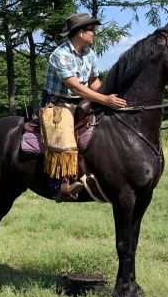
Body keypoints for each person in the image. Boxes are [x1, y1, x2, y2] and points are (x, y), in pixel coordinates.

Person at [41, 13, 127, 201]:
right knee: (63, 137)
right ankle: (60, 185)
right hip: (58, 103)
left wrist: (110, 98)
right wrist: (105, 99)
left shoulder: (89, 53)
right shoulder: (60, 55)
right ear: (80, 33)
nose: (93, 34)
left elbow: (93, 81)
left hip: (81, 100)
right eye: (91, 30)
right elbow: (75, 87)